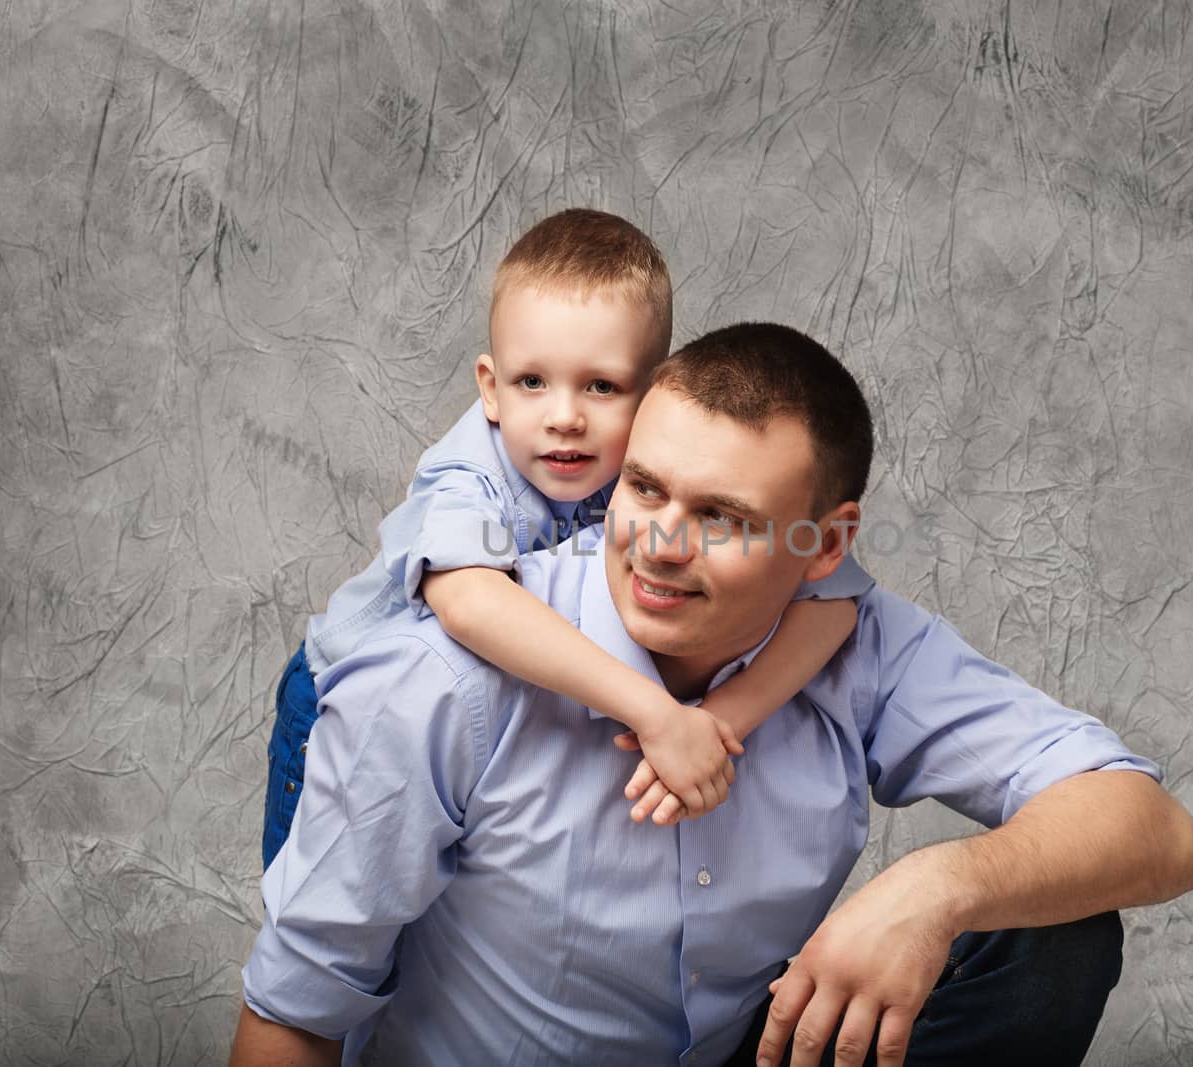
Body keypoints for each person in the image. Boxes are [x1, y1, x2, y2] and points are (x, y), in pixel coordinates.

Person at [230, 323, 1193, 1067]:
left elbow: (1158, 832)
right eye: (645, 489)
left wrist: (932, 887)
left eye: (722, 517)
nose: (659, 542)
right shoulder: (450, 675)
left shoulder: (861, 642)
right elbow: (296, 1004)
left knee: (1052, 933)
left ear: (822, 544)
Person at [262, 210, 868, 868]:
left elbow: (832, 600)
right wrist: (659, 715)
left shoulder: (658, 464)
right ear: (491, 389)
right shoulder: (468, 475)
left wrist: (720, 721)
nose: (565, 418)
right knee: (336, 881)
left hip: (483, 718)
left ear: (659, 391)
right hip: (343, 701)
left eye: (602, 386)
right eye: (531, 382)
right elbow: (469, 604)